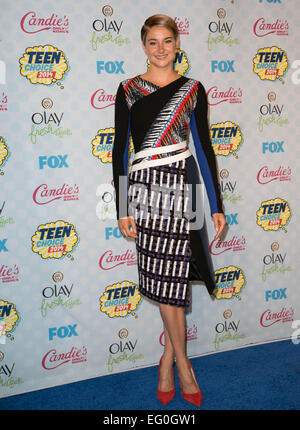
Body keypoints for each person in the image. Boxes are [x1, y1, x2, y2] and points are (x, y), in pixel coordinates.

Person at [112, 14, 226, 407]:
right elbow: (119, 152)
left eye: (167, 41)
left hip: (184, 186)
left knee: (176, 276)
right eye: (153, 42)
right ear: (144, 46)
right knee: (162, 276)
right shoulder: (128, 89)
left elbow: (204, 146)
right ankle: (182, 363)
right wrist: (123, 206)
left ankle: (169, 359)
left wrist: (216, 204)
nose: (161, 49)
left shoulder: (193, 88)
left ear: (177, 43)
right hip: (145, 191)